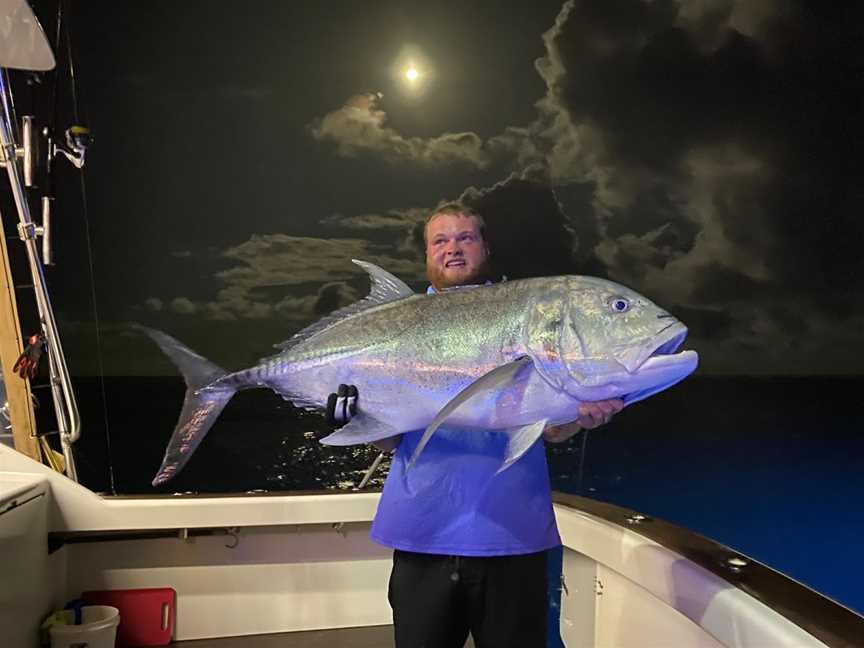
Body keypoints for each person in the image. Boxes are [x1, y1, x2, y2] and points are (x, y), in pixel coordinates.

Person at [328, 202, 623, 648]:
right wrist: (357, 418)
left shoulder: (524, 314)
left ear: (485, 248)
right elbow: (391, 443)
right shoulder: (396, 324)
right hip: (422, 532)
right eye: (440, 241)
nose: (453, 249)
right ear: (427, 255)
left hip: (512, 535)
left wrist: (579, 417)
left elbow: (551, 430)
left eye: (465, 237)